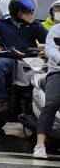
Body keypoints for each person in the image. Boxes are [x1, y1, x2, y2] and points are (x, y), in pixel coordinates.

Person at [0, 0, 46, 111]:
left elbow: (49, 40)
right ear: (16, 12)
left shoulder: (35, 26)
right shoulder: (1, 25)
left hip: (30, 60)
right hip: (9, 58)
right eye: (27, 12)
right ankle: (1, 99)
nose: (30, 14)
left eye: (31, 11)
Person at [35, 17, 60, 158]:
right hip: (57, 72)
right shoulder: (56, 30)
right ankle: (40, 145)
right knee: (52, 103)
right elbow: (51, 50)